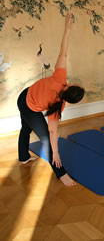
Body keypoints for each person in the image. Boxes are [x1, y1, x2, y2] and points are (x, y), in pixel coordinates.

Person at [17, 13, 85, 186]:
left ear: (69, 87)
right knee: (34, 132)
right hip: (27, 101)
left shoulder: (59, 79)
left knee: (33, 131)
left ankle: (28, 159)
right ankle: (58, 172)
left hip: (27, 100)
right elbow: (65, 52)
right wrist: (67, 29)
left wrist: (56, 153)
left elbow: (63, 52)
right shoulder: (59, 103)